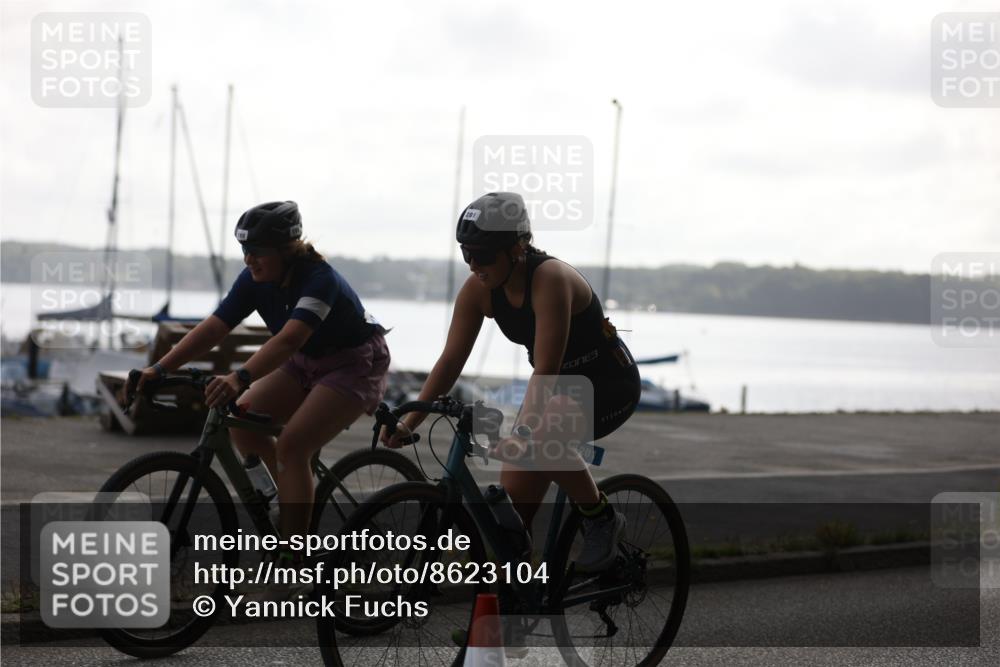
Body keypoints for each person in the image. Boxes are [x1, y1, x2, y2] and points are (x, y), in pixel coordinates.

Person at [383, 191, 640, 573]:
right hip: (554, 393)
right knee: (509, 526)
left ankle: (600, 516)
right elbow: (451, 360)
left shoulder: (550, 279)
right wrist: (410, 421)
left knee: (541, 438)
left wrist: (524, 430)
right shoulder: (478, 291)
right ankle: (517, 609)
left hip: (605, 384)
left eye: (483, 255)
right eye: (466, 253)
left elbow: (547, 368)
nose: (474, 265)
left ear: (518, 247)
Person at [135, 200, 390, 555]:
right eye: (244, 250)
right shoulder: (256, 279)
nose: (248, 259)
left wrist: (239, 376)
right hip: (305, 360)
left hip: (353, 364)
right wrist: (160, 368)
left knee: (293, 445)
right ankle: (289, 496)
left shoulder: (320, 280)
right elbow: (214, 327)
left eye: (257, 251)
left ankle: (294, 554)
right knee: (241, 417)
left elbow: (289, 339)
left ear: (287, 251)